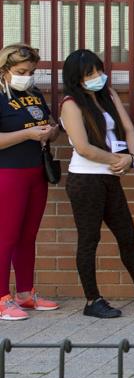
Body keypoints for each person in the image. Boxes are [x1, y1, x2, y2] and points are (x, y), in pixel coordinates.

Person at [60, 49, 134, 318]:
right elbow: (83, 147)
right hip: (86, 180)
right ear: (76, 78)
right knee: (89, 239)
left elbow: (127, 128)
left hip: (110, 177)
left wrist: (132, 157)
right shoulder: (71, 104)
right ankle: (92, 300)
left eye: (99, 71)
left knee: (127, 234)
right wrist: (118, 160)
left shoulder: (108, 95)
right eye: (90, 74)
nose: (97, 77)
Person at [0, 43, 59, 320]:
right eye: (21, 71)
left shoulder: (33, 93)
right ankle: (2, 298)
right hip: (8, 172)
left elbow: (47, 122)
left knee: (27, 235)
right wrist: (28, 134)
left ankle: (25, 293)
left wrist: (51, 131)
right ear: (5, 69)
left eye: (31, 71)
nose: (27, 76)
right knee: (6, 236)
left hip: (36, 171)